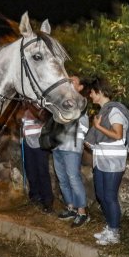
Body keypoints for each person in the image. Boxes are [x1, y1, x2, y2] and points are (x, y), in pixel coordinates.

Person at [83, 77, 129, 246]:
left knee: (109, 196)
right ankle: (110, 227)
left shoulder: (114, 111)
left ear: (100, 92)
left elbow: (117, 134)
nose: (90, 95)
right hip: (102, 159)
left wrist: (98, 128)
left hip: (113, 160)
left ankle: (115, 232)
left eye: (92, 92)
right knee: (101, 195)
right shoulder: (103, 111)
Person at [52, 76, 90, 226]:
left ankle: (83, 213)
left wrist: (76, 139)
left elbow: (84, 126)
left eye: (73, 81)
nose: (68, 82)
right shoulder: (60, 100)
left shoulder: (81, 102)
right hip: (58, 146)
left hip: (72, 147)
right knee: (62, 179)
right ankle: (71, 208)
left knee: (73, 179)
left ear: (80, 87)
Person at [21, 107, 53, 213]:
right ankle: (35, 197)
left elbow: (42, 117)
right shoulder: (23, 108)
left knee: (42, 172)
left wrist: (30, 106)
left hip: (40, 142)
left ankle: (47, 201)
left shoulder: (41, 104)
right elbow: (19, 120)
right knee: (30, 171)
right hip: (27, 142)